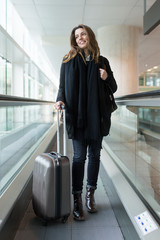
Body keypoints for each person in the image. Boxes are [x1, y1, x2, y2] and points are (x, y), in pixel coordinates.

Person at [54, 24, 117, 221]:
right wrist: (59, 99)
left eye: (83, 34)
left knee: (95, 156)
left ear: (89, 36)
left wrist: (106, 77)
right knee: (80, 157)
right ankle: (77, 199)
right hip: (78, 117)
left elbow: (113, 87)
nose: (80, 38)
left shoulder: (102, 61)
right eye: (77, 36)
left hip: (97, 117)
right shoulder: (68, 60)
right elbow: (62, 86)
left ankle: (90, 194)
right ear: (74, 40)